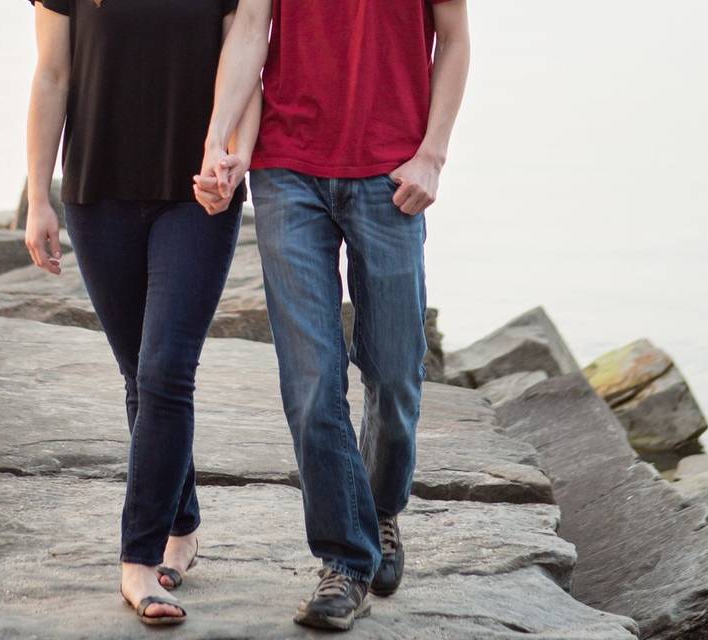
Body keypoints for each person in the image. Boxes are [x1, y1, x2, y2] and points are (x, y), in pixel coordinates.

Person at [196, 0, 471, 631]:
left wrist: (433, 153)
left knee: (396, 370)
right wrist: (219, 138)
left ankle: (380, 509)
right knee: (313, 380)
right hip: (286, 169)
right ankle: (345, 560)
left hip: (392, 171)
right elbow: (248, 31)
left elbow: (454, 39)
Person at [24, 0, 260, 627]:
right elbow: (52, 74)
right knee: (141, 376)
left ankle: (139, 559)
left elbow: (247, 59)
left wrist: (233, 155)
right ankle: (183, 527)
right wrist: (37, 198)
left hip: (197, 197)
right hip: (97, 194)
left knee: (164, 371)